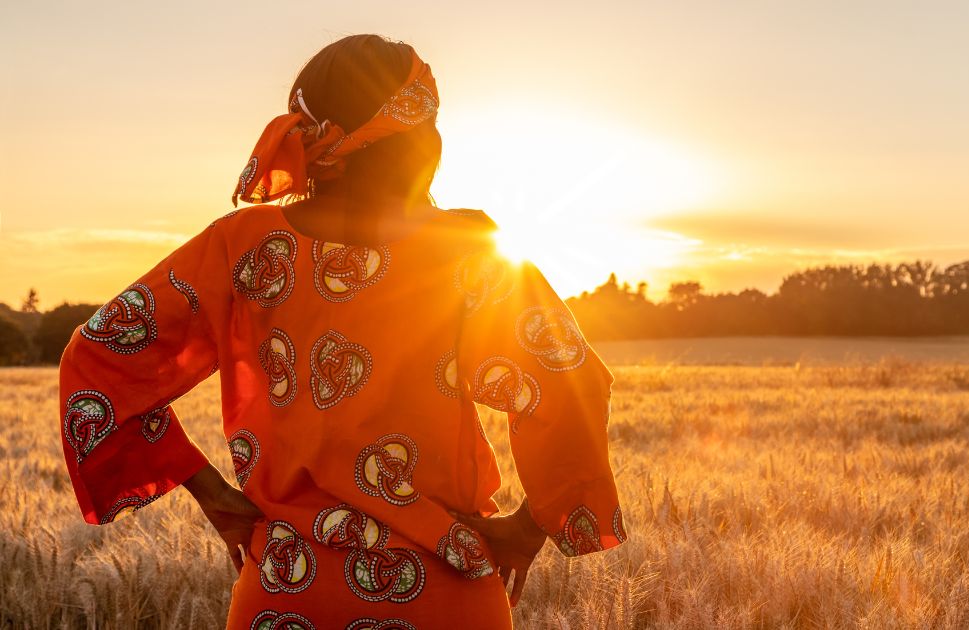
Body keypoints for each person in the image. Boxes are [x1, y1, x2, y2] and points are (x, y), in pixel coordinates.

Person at [58, 34, 626, 629]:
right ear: (418, 140)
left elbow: (98, 358)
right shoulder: (469, 254)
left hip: (286, 590)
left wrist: (214, 496)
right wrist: (530, 525)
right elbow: (574, 383)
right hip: (447, 593)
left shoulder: (243, 246)